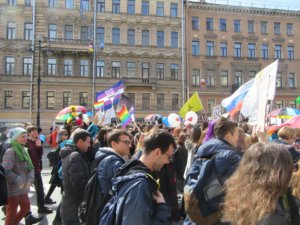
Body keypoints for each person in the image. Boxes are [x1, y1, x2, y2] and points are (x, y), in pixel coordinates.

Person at [99, 131, 177, 225]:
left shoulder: (132, 170)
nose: (168, 162)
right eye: (168, 157)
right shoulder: (140, 185)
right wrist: (162, 208)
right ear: (157, 152)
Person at [223, 142, 300, 225]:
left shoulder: (242, 193)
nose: (293, 172)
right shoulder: (274, 218)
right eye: (291, 167)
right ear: (279, 174)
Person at [184, 117, 241, 225]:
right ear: (228, 135)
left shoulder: (203, 148)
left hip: (198, 205)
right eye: (237, 134)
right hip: (216, 212)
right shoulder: (230, 156)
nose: (238, 138)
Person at [2, 127, 43, 225]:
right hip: (13, 188)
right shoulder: (11, 151)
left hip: (23, 187)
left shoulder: (24, 150)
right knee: (11, 213)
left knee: (25, 208)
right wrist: (19, 180)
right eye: (22, 137)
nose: (25, 138)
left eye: (26, 136)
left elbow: (31, 167)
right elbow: (6, 170)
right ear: (15, 138)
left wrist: (29, 180)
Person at [60, 129, 91, 225]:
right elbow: (78, 183)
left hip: (70, 205)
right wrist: (87, 199)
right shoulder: (75, 156)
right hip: (73, 208)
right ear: (80, 142)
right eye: (88, 142)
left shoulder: (73, 154)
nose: (89, 145)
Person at [25, 126, 52, 214]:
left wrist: (39, 146)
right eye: (33, 131)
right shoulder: (26, 142)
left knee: (40, 189)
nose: (36, 132)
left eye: (36, 130)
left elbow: (39, 156)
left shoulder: (36, 141)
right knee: (24, 192)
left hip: (36, 169)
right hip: (28, 170)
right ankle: (8, 207)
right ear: (29, 133)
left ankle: (41, 207)